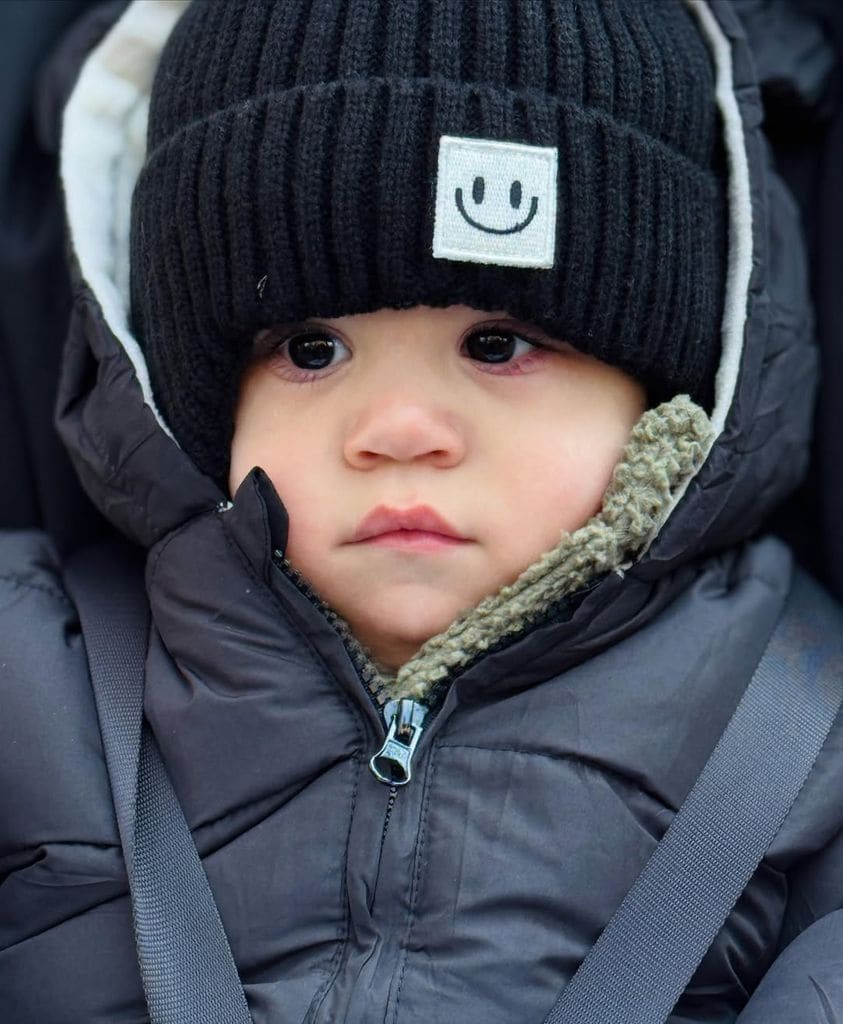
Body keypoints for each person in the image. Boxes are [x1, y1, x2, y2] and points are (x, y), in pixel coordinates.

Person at [2, 1, 843, 1021]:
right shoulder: (39, 686)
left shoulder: (804, 738)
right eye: (311, 350)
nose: (398, 428)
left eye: (496, 343)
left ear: (665, 402)